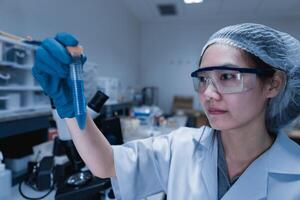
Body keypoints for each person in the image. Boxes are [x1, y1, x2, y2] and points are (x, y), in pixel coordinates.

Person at [32, 23, 300, 200]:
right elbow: (106, 164)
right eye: (204, 79)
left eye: (228, 76)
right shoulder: (180, 147)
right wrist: (69, 107)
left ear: (273, 84)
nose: (208, 93)